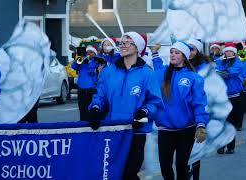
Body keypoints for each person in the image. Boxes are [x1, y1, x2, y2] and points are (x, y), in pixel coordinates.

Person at [88, 31, 163, 180]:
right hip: (113, 131)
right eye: (122, 43)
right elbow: (100, 96)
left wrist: (143, 112)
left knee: (129, 174)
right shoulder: (109, 72)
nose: (123, 45)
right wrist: (95, 109)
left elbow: (155, 102)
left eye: (128, 43)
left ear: (137, 47)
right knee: (115, 174)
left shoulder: (147, 74)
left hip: (136, 132)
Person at [152, 41, 209, 180]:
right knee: (165, 166)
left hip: (186, 129)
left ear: (184, 56)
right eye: (171, 52)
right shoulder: (162, 74)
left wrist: (201, 125)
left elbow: (199, 103)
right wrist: (154, 53)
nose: (172, 55)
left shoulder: (194, 78)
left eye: (176, 52)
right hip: (165, 129)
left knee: (181, 166)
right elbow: (157, 66)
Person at [187, 39, 232, 180]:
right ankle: (186, 168)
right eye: (187, 49)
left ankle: (195, 175)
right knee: (184, 146)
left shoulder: (205, 67)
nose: (189, 52)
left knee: (195, 146)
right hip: (184, 109)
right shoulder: (181, 64)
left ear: (198, 51)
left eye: (192, 49)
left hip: (200, 108)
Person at [215, 42, 243, 154]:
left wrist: (219, 72)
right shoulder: (221, 62)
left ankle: (231, 147)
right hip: (222, 97)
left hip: (234, 97)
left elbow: (229, 73)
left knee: (231, 123)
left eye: (230, 51)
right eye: (226, 51)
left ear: (234, 52)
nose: (228, 53)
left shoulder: (238, 63)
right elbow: (216, 71)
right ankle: (221, 145)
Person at [71, 45, 105, 121]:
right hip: (82, 92)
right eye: (87, 52)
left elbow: (102, 65)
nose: (89, 54)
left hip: (93, 92)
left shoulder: (97, 61)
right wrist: (80, 59)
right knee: (83, 113)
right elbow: (73, 66)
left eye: (91, 52)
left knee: (93, 113)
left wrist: (93, 64)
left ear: (95, 54)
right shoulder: (81, 62)